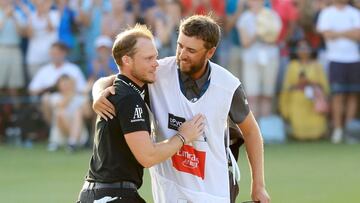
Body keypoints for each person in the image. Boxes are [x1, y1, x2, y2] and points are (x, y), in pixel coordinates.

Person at [93, 15, 270, 203]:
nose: (182, 54)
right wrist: (97, 93)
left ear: (210, 52)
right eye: (180, 45)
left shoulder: (228, 86)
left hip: (212, 191)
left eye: (191, 50)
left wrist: (258, 185)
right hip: (168, 189)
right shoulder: (157, 72)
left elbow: (251, 132)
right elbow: (115, 80)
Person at [77, 24, 205, 203]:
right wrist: (183, 136)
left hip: (103, 193)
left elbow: (103, 81)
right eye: (148, 58)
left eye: (156, 57)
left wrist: (97, 92)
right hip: (112, 195)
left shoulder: (127, 87)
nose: (156, 64)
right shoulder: (128, 97)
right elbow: (148, 156)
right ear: (127, 60)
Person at [316, 0, 360, 143]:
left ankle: (349, 129)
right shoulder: (327, 13)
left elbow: (358, 34)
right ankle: (338, 129)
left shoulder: (355, 13)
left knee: (353, 94)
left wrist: (337, 33)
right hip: (334, 59)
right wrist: (349, 32)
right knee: (337, 95)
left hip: (354, 59)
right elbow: (326, 34)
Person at [279, 40, 330, 140]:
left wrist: (312, 84)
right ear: (296, 51)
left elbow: (325, 86)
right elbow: (286, 87)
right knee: (299, 133)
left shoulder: (317, 65)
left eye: (306, 48)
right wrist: (299, 84)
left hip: (313, 100)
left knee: (317, 132)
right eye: (301, 48)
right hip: (297, 99)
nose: (304, 51)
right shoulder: (292, 65)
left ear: (311, 50)